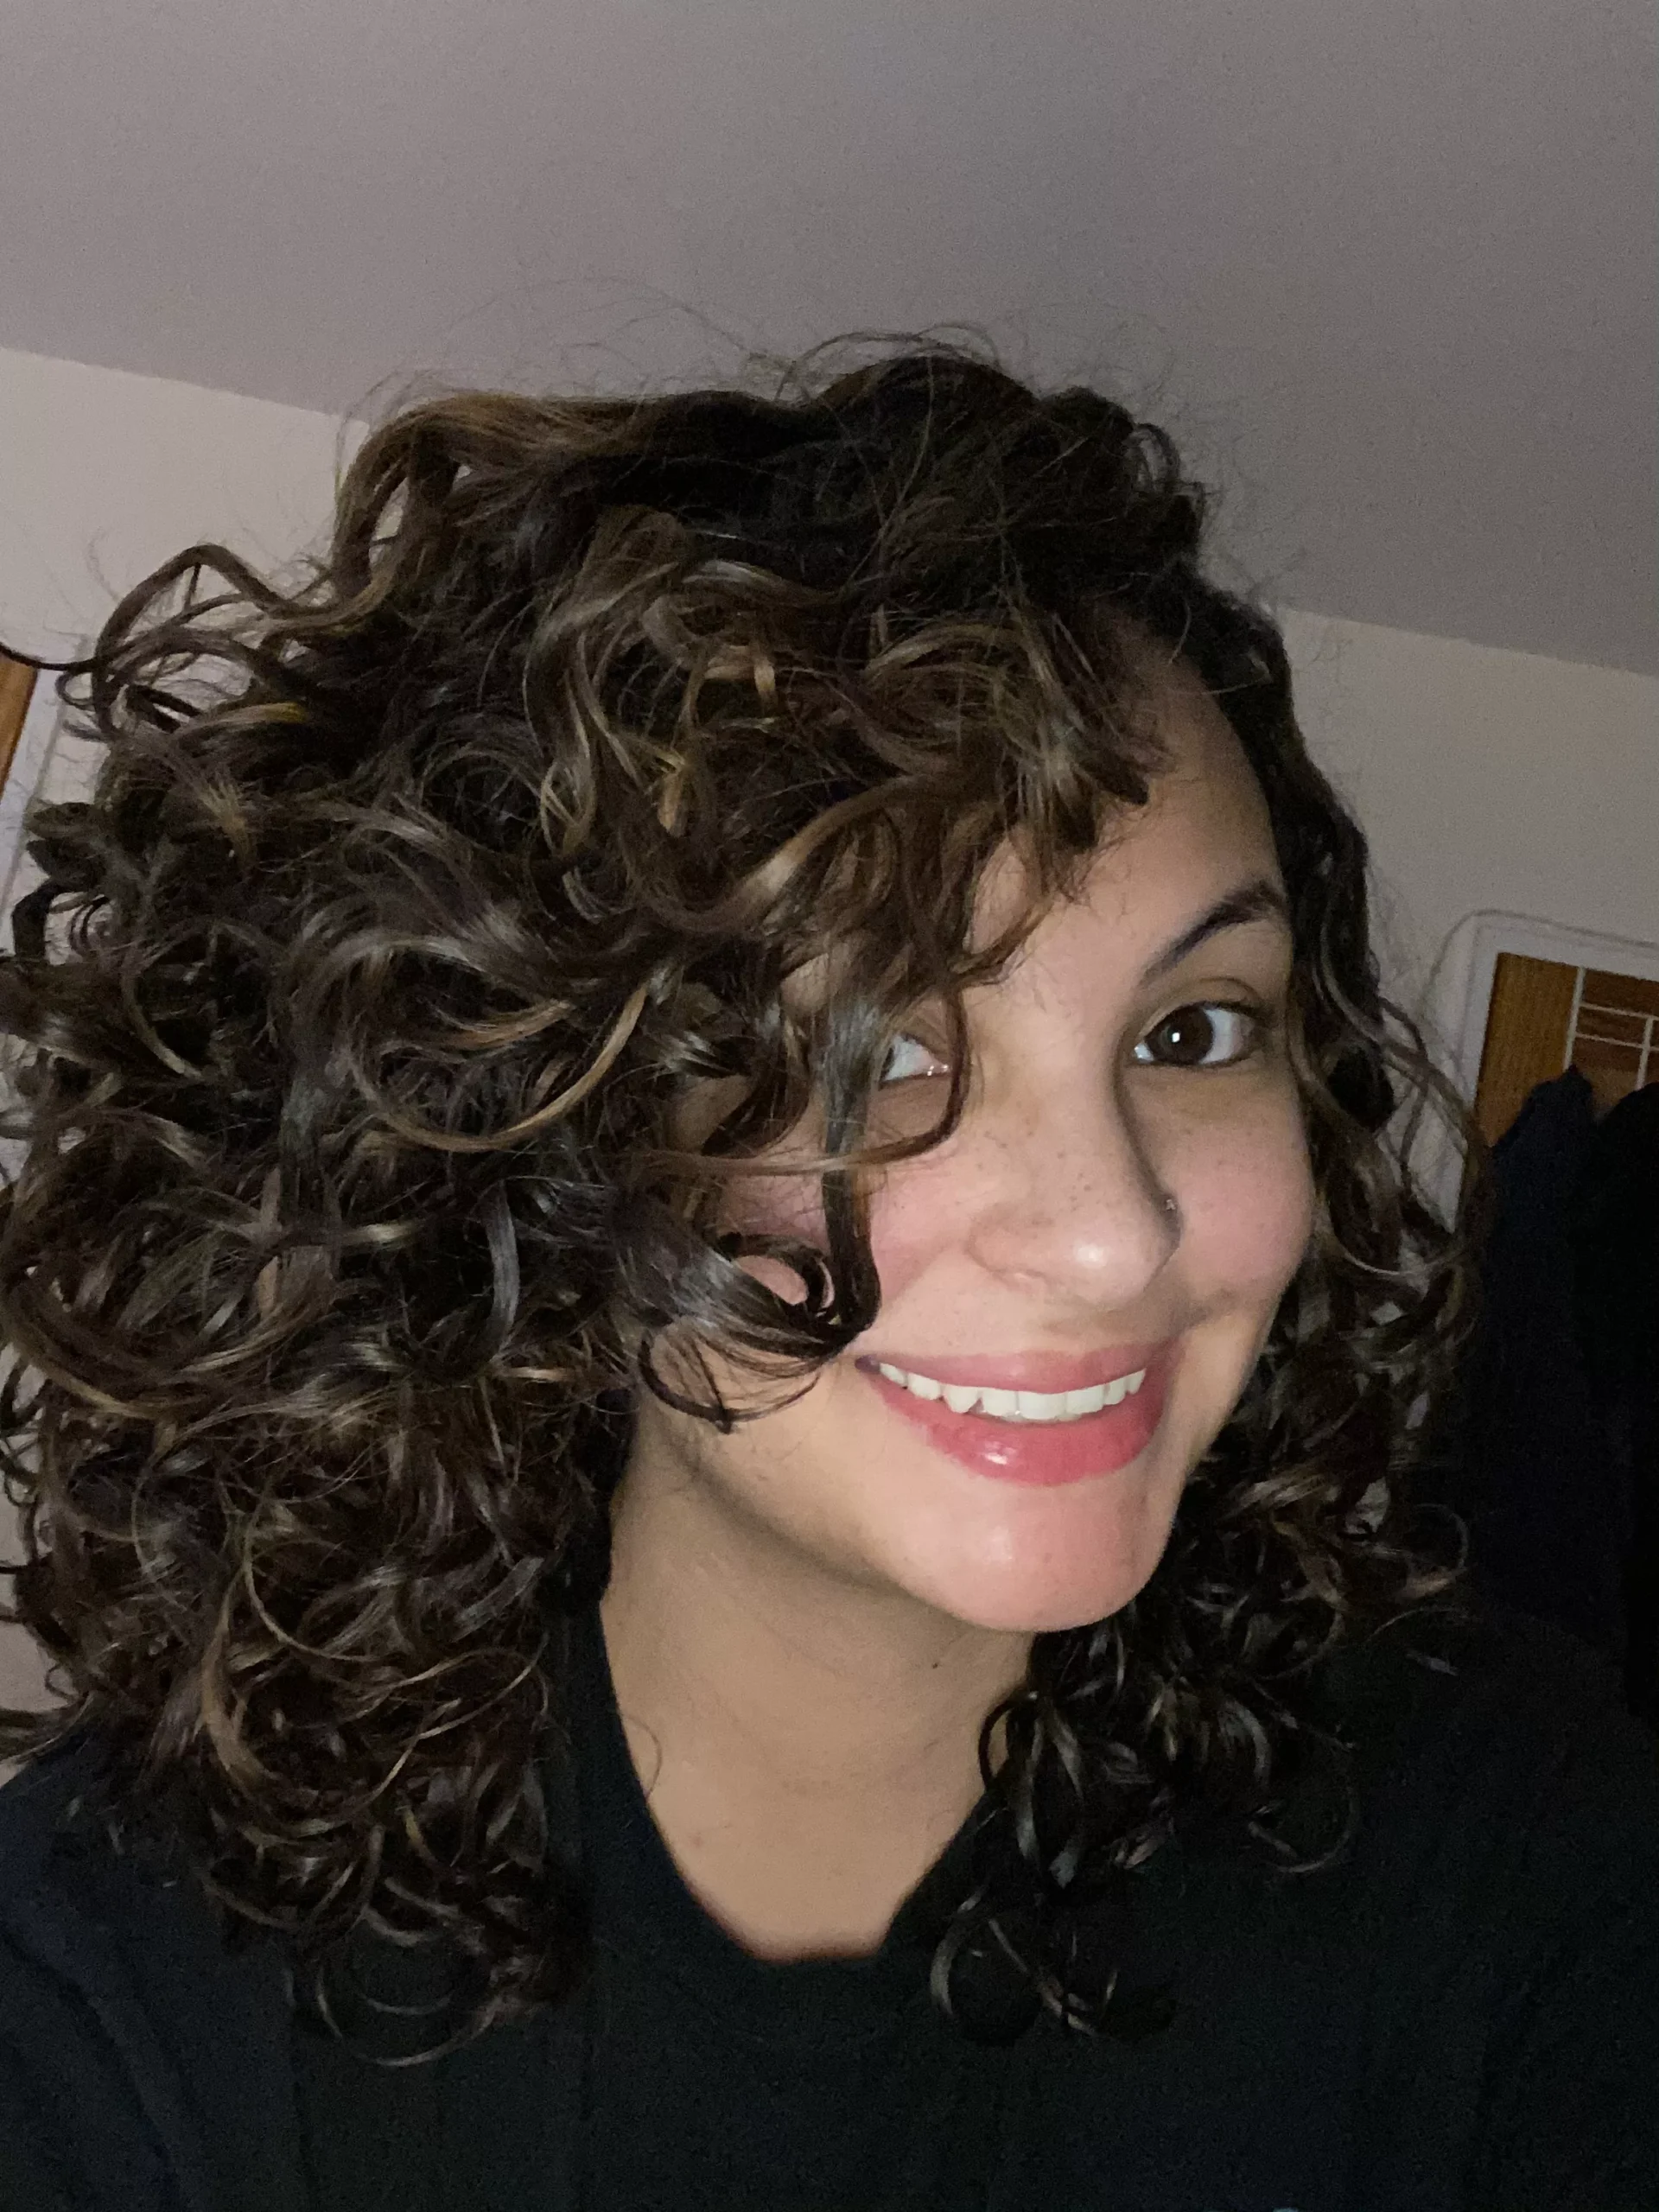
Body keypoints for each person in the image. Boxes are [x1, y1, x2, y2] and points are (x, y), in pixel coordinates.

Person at [0, 343, 1653, 2212]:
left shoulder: (1513, 1852)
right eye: (875, 1052)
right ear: (533, 1130)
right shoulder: (119, 1983)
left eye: (1194, 1029)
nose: (1113, 1233)